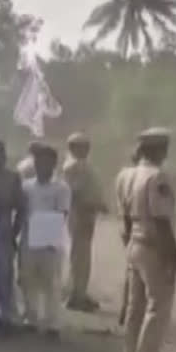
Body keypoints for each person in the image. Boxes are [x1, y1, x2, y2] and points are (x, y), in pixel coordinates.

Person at [122, 128, 176, 352]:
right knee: (158, 307)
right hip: (154, 247)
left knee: (136, 307)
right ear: (158, 149)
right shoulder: (157, 177)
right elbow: (161, 221)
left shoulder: (127, 174)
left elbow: (124, 214)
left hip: (134, 242)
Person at [20, 144, 70, 339]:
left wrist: (48, 234)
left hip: (51, 239)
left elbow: (63, 212)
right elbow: (22, 211)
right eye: (39, 161)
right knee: (28, 280)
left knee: (51, 282)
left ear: (54, 164)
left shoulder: (61, 187)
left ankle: (52, 324)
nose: (42, 165)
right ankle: (31, 319)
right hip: (28, 238)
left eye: (47, 162)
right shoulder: (26, 186)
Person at [62, 132, 107, 312]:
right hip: (80, 214)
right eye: (82, 146)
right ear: (73, 147)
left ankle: (80, 292)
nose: (86, 150)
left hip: (86, 215)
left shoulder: (81, 165)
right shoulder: (73, 166)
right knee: (79, 257)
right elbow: (75, 193)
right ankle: (75, 295)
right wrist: (97, 204)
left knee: (83, 256)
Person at [0, 141, 25, 326]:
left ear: (4, 156)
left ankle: (6, 316)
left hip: (3, 233)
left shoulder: (12, 178)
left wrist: (14, 233)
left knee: (4, 277)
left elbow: (21, 208)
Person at [115, 149, 139, 326]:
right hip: (135, 224)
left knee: (130, 268)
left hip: (124, 223)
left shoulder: (122, 174)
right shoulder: (140, 176)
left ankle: (125, 309)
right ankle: (130, 310)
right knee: (136, 270)